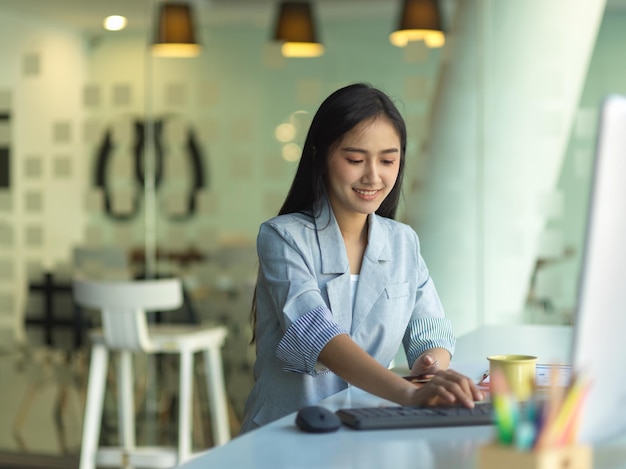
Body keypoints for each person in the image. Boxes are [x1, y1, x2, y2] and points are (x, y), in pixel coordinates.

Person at [239, 83, 483, 433]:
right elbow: (316, 335)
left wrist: (432, 366)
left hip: (366, 427)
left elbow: (430, 329)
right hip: (287, 433)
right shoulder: (283, 237)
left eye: (387, 160)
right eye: (355, 160)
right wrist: (408, 394)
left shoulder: (403, 242)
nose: (373, 176)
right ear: (319, 156)